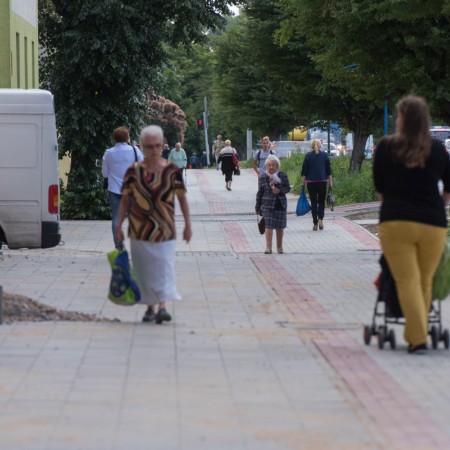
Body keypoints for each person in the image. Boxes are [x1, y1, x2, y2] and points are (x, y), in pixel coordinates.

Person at [373, 95, 450, 354]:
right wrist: (435, 205)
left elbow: (380, 191)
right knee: (425, 280)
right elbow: (448, 191)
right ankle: (419, 333)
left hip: (396, 222)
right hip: (433, 224)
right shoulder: (438, 150)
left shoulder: (386, 147)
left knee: (406, 281)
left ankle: (417, 340)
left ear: (402, 119)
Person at [115, 125, 192, 324]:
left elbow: (182, 199)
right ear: (142, 147)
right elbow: (124, 200)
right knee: (144, 269)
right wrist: (117, 226)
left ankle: (162, 306)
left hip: (165, 229)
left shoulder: (172, 171)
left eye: (157, 145)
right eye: (150, 146)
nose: (154, 150)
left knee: (164, 267)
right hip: (139, 230)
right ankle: (150, 307)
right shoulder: (133, 172)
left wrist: (188, 224)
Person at [102, 126, 144, 248]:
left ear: (114, 139)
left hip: (114, 189)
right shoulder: (135, 151)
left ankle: (119, 245)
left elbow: (105, 173)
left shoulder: (108, 153)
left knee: (116, 217)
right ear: (127, 138)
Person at [255, 155, 291, 254]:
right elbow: (260, 192)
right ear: (266, 166)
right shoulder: (263, 177)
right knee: (268, 226)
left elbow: (288, 188)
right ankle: (268, 247)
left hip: (280, 204)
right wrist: (257, 207)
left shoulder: (283, 175)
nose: (271, 167)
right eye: (269, 165)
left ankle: (279, 247)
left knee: (280, 227)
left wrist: (280, 190)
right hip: (267, 205)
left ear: (277, 166)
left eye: (273, 165)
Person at [301, 139, 332, 231]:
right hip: (322, 181)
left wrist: (303, 183)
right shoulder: (325, 155)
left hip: (311, 182)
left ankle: (315, 223)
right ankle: (320, 219)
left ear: (312, 146)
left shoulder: (308, 156)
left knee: (314, 203)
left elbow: (304, 171)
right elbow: (329, 170)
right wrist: (330, 183)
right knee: (321, 202)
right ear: (320, 145)